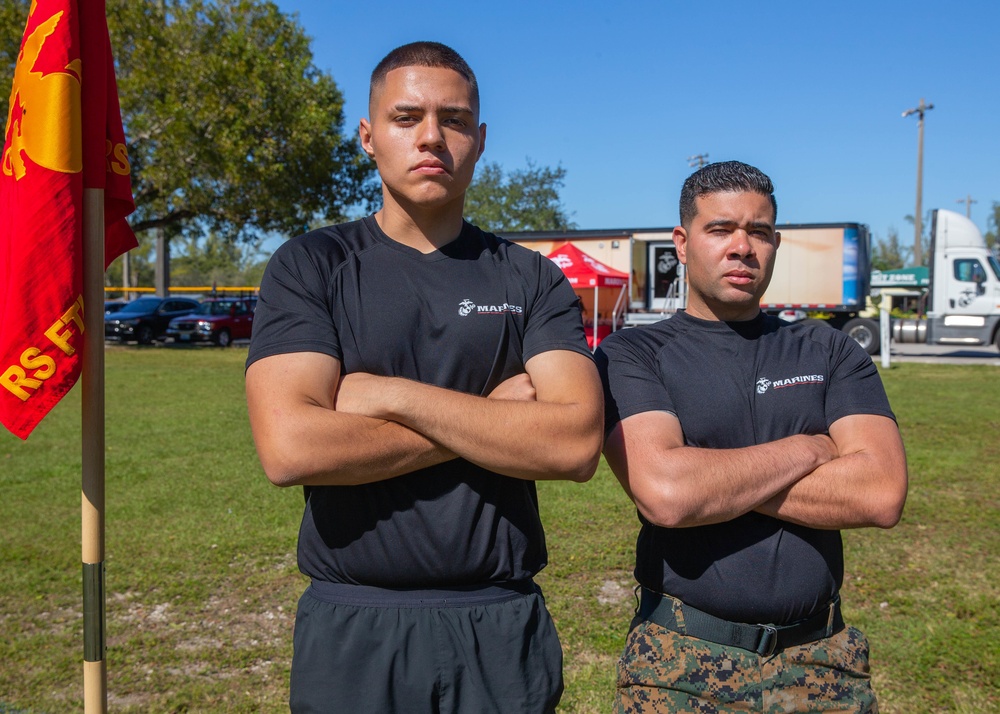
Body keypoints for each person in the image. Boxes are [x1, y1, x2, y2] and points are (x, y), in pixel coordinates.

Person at [244, 41, 603, 714]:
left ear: (481, 138)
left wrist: (388, 396)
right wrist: (489, 417)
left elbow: (574, 444)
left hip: (498, 624)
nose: (433, 136)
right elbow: (292, 447)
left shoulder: (529, 278)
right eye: (407, 117)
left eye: (456, 119)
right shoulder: (311, 266)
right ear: (368, 135)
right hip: (354, 625)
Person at [595, 161, 908, 713]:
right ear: (683, 242)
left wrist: (707, 476)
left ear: (776, 242)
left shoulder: (829, 350)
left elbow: (880, 493)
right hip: (678, 663)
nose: (742, 247)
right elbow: (668, 494)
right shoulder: (634, 354)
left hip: (821, 661)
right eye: (720, 229)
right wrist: (810, 449)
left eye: (759, 232)